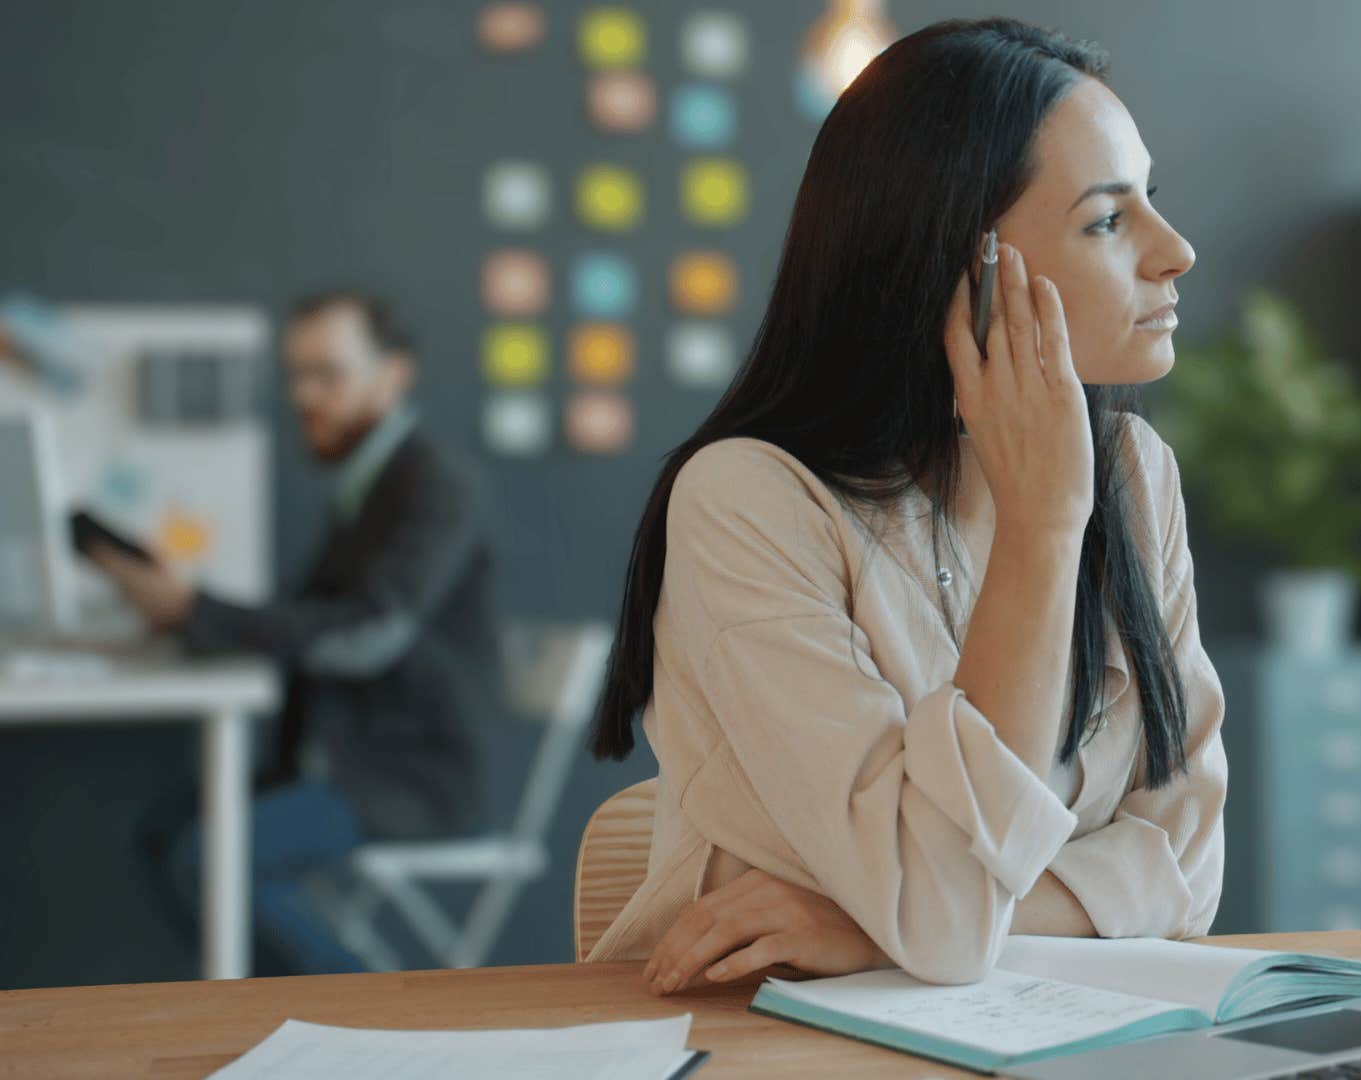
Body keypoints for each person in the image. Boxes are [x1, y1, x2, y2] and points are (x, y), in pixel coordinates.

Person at [585, 17, 1223, 993]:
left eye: (1154, 200)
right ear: (961, 270)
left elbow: (1187, 868)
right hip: (762, 1040)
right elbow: (947, 918)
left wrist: (873, 929)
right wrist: (1045, 529)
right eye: (1107, 219)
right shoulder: (750, 502)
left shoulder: (1134, 473)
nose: (1174, 250)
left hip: (1037, 1036)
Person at [89, 290, 502, 974]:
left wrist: (196, 611)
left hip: (404, 777)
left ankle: (374, 1026)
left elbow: (369, 634)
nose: (305, 395)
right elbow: (314, 621)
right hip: (335, 761)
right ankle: (284, 1022)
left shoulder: (433, 483)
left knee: (208, 861)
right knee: (161, 832)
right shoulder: (366, 488)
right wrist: (186, 607)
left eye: (328, 374)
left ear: (393, 374)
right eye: (296, 375)